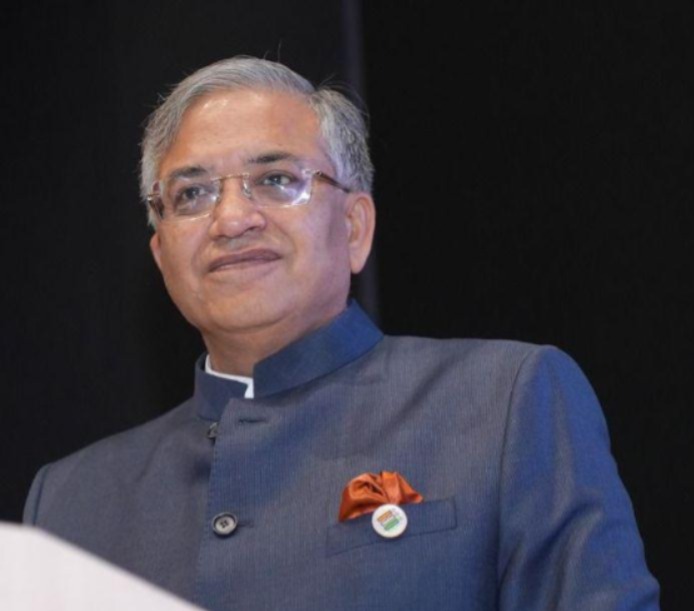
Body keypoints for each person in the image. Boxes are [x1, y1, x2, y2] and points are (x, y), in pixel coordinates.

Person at [24, 57, 659, 610]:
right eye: (192, 194)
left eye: (275, 180)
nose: (232, 218)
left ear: (355, 228)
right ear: (162, 254)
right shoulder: (73, 501)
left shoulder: (503, 404)